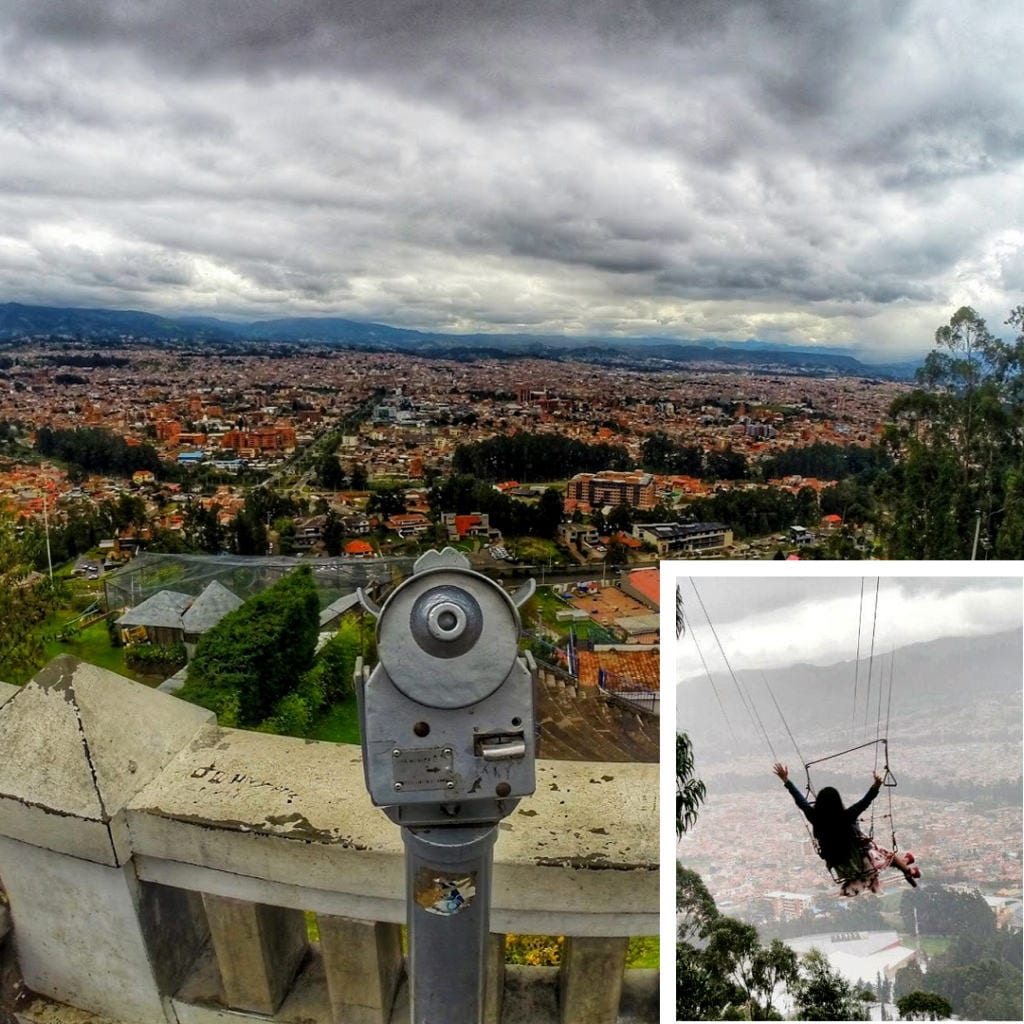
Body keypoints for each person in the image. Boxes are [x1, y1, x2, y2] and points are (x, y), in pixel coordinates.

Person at [773, 762, 920, 896]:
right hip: (860, 862)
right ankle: (907, 870)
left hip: (840, 867)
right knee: (888, 854)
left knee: (881, 853)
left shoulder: (815, 817)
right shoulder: (846, 816)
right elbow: (864, 802)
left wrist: (786, 780)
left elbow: (800, 800)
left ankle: (907, 861)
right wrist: (876, 786)